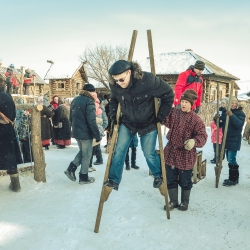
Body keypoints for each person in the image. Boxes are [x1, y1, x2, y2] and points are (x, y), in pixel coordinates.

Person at [103, 60, 174, 191]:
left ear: (129, 72)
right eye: (116, 80)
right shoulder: (115, 84)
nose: (119, 83)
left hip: (148, 122)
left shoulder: (147, 81)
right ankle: (114, 180)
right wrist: (114, 115)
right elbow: (114, 99)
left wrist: (161, 116)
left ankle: (158, 176)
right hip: (128, 122)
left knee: (148, 153)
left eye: (121, 80)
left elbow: (168, 94)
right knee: (119, 150)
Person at [163, 90, 207, 211]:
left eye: (186, 102)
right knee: (170, 178)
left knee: (185, 181)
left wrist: (194, 141)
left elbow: (202, 136)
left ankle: (184, 202)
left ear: (191, 104)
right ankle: (173, 201)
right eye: (182, 101)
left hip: (185, 154)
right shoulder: (174, 113)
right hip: (171, 152)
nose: (183, 104)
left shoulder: (196, 120)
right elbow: (163, 117)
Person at [64, 83, 101, 184]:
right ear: (90, 92)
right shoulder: (89, 101)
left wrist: (74, 128)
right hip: (85, 133)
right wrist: (97, 135)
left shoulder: (76, 99)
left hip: (77, 131)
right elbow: (91, 121)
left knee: (82, 152)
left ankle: (71, 169)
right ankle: (83, 178)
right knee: (87, 155)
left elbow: (70, 117)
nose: (94, 94)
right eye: (93, 91)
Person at [215, 97, 245, 186]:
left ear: (237, 104)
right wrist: (216, 119)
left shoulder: (240, 113)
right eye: (231, 103)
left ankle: (233, 179)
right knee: (229, 159)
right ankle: (232, 178)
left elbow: (239, 124)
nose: (233, 104)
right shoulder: (225, 112)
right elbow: (220, 124)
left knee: (232, 159)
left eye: (235, 102)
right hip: (226, 139)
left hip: (234, 139)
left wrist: (231, 115)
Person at [0, 77, 22, 192]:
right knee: (10, 157)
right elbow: (13, 115)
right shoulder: (7, 96)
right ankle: (15, 185)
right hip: (7, 130)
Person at [89, 96, 108, 171]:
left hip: (95, 131)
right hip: (96, 131)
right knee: (96, 146)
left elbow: (105, 121)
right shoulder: (98, 109)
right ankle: (99, 160)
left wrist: (100, 128)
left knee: (92, 148)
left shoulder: (100, 110)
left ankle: (91, 164)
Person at [210, 99, 228, 163]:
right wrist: (215, 119)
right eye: (222, 103)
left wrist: (220, 121)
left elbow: (224, 121)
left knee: (219, 146)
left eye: (224, 103)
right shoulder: (218, 110)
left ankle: (219, 158)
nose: (223, 104)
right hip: (216, 130)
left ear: (226, 104)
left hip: (221, 130)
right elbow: (215, 118)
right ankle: (216, 157)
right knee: (215, 145)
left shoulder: (226, 112)